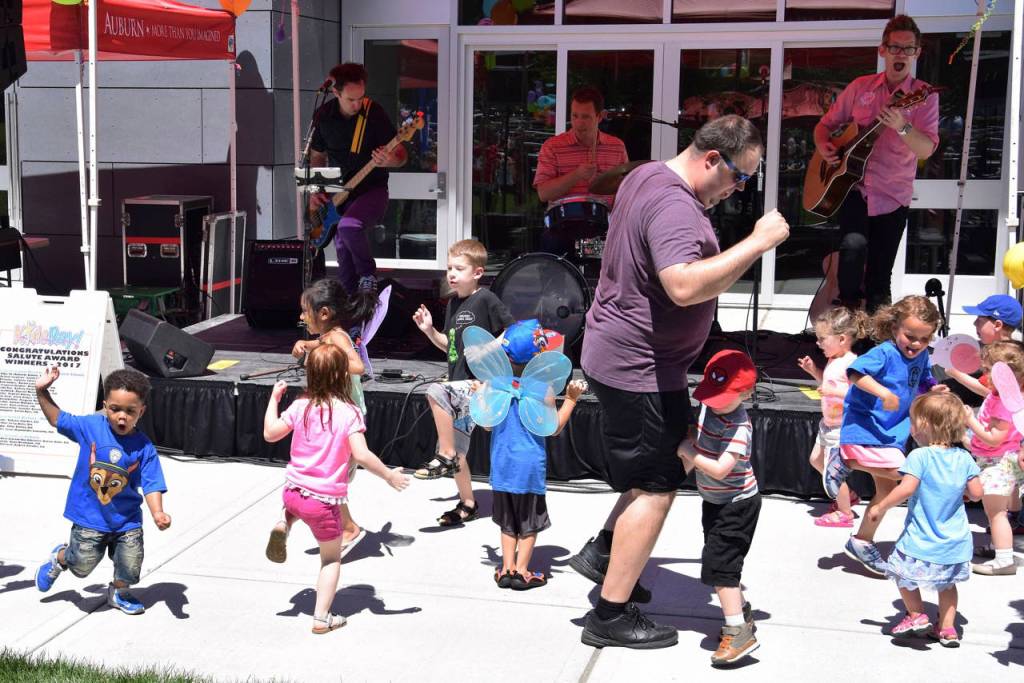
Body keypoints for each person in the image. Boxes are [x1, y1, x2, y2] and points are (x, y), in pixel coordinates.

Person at [572, 114, 789, 649]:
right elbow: (684, 286)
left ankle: (605, 551)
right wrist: (758, 243)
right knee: (658, 486)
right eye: (740, 176)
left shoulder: (647, 174)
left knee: (652, 468)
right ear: (712, 159)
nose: (740, 190)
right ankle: (610, 615)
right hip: (640, 367)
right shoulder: (673, 204)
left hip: (625, 355)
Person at [263, 344, 409, 634]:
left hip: (292, 493)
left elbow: (270, 433)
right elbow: (363, 455)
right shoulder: (349, 412)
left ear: (310, 374)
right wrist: (389, 476)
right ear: (343, 375)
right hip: (323, 501)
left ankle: (284, 523)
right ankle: (321, 618)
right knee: (330, 559)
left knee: (295, 504)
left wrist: (274, 397)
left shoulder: (300, 405)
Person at [813, 15, 939, 313]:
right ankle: (846, 332)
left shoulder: (923, 96)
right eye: (895, 47)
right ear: (882, 50)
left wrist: (902, 126)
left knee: (880, 276)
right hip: (854, 188)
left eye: (908, 49)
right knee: (852, 252)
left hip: (892, 195)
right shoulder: (861, 87)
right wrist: (824, 146)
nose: (901, 54)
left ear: (917, 53)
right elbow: (824, 126)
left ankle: (877, 343)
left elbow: (926, 150)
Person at [823, 295, 946, 575]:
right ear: (894, 328)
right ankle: (845, 461)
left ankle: (862, 540)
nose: (915, 344)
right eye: (910, 336)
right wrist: (884, 393)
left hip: (893, 430)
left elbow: (923, 379)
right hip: (867, 425)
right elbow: (855, 374)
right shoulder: (885, 352)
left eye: (923, 339)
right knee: (899, 473)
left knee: (887, 493)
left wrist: (933, 389)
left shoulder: (923, 355)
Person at [33, 367, 171, 616]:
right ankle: (61, 557)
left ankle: (119, 592)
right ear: (105, 405)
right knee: (81, 566)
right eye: (115, 409)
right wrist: (42, 390)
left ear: (142, 411)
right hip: (90, 516)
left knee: (130, 561)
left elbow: (151, 483)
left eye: (130, 411)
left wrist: (158, 512)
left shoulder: (144, 447)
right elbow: (58, 419)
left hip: (127, 520)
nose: (122, 417)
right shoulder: (90, 427)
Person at [411, 239, 515, 526]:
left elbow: (513, 331)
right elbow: (451, 347)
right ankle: (468, 503)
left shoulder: (486, 299)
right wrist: (430, 331)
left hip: (478, 385)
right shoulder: (453, 304)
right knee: (460, 453)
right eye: (448, 268)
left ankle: (442, 453)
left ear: (478, 272)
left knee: (434, 390)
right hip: (459, 384)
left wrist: (488, 350)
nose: (451, 274)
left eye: (459, 268)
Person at [868, 392, 982, 647]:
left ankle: (917, 615)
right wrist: (959, 493)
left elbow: (906, 488)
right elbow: (976, 494)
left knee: (900, 572)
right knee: (947, 585)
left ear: (925, 425)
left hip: (921, 538)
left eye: (912, 421)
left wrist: (882, 506)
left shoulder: (920, 457)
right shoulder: (964, 458)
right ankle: (948, 629)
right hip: (954, 541)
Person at [486, 320, 586, 590]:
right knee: (528, 523)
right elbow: (553, 429)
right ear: (539, 357)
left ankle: (505, 568)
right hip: (529, 469)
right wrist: (572, 400)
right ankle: (521, 571)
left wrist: (481, 394)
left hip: (502, 465)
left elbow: (485, 423)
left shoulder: (496, 385)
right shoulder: (543, 389)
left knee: (507, 521)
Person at [676, 349, 761, 667]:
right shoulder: (708, 407)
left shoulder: (739, 426)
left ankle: (739, 632)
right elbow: (698, 439)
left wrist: (688, 452)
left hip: (737, 504)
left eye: (721, 396)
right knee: (721, 562)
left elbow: (722, 468)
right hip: (713, 501)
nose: (711, 402)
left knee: (721, 568)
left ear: (745, 392)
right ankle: (742, 612)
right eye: (709, 394)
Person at [309, 62, 407, 332]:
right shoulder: (323, 116)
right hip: (338, 195)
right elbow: (316, 156)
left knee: (350, 227)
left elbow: (401, 156)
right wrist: (316, 191)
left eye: (361, 97)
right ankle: (354, 321)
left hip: (372, 190)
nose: (357, 104)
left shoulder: (373, 113)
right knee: (342, 257)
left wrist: (390, 158)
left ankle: (368, 276)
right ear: (336, 93)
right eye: (351, 99)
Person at [284, 278, 367, 557]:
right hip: (333, 416)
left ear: (324, 313)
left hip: (345, 419)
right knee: (331, 474)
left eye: (305, 311)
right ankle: (344, 524)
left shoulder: (338, 338)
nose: (301, 316)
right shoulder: (328, 336)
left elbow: (358, 366)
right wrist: (306, 345)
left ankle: (348, 527)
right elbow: (321, 341)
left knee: (333, 475)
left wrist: (326, 355)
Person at [533, 86, 629, 256]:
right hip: (562, 229)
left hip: (602, 229)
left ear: (599, 117)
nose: (578, 123)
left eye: (585, 117)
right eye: (574, 116)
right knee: (552, 259)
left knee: (618, 255)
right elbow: (543, 193)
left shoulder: (616, 147)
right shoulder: (553, 146)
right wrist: (577, 175)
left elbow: (626, 191)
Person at [798, 306, 870, 527]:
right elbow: (826, 383)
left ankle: (845, 513)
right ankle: (848, 497)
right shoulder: (833, 359)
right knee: (816, 460)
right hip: (827, 423)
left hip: (842, 426)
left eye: (822, 339)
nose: (818, 344)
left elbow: (861, 394)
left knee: (833, 472)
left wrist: (834, 392)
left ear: (842, 339)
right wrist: (813, 372)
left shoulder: (851, 363)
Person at [963, 341, 1024, 576]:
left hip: (998, 463)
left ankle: (1004, 561)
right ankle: (1001, 548)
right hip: (998, 462)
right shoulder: (1004, 397)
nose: (984, 375)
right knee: (997, 513)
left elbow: (993, 439)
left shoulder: (1003, 405)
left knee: (996, 513)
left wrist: (970, 421)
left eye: (988, 370)